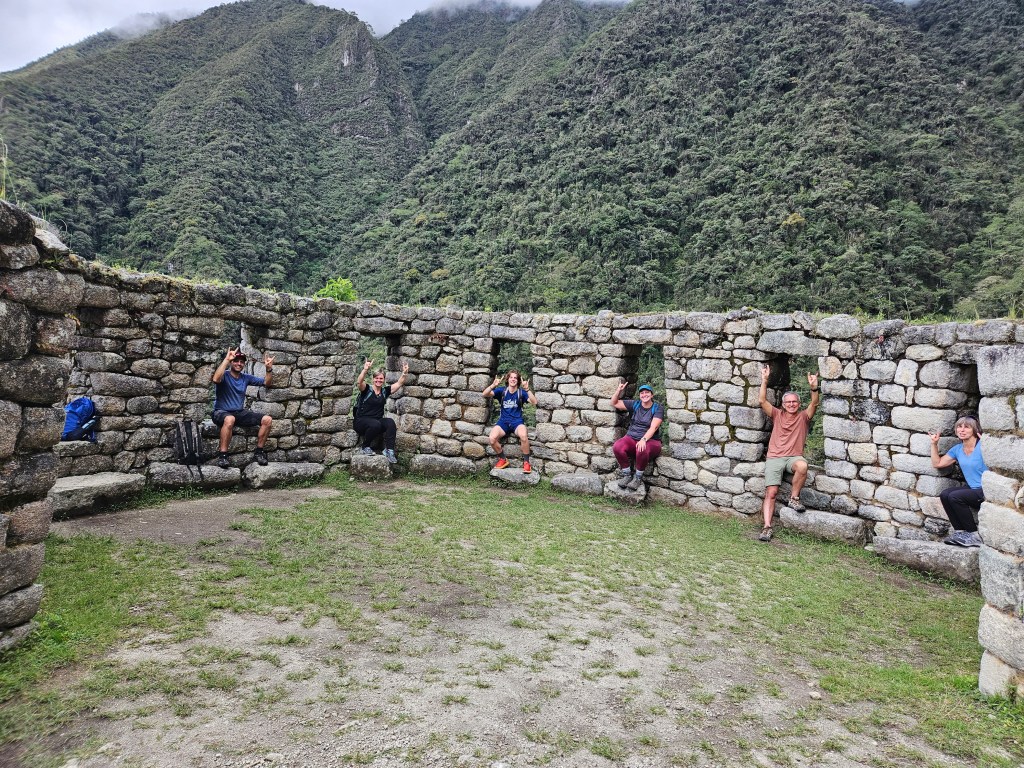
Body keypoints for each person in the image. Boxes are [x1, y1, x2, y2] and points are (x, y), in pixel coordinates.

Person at [757, 364, 819, 542]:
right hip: (775, 458)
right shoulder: (777, 415)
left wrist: (814, 388)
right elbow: (762, 401)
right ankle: (767, 527)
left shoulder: (804, 417)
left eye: (794, 402)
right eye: (788, 402)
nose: (791, 404)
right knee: (771, 492)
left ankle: (794, 498)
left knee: (802, 465)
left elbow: (814, 403)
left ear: (799, 404)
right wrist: (764, 380)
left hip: (793, 457)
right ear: (783, 405)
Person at [929, 416, 987, 547]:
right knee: (945, 494)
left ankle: (974, 535)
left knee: (955, 496)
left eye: (967, 427)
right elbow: (937, 463)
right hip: (972, 488)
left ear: (974, 430)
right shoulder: (957, 449)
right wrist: (934, 444)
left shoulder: (982, 446)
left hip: (986, 490)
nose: (962, 430)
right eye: (959, 427)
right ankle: (960, 532)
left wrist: (988, 446)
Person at [211, 347, 274, 468]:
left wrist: (268, 369)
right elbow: (215, 379)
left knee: (267, 420)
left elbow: (267, 383)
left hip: (238, 413)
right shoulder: (224, 375)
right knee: (230, 419)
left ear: (244, 364)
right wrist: (226, 359)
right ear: (231, 362)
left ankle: (259, 452)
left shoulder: (245, 378)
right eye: (236, 361)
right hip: (220, 412)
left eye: (241, 362)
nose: (239, 363)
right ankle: (223, 456)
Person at [611, 381, 664, 491]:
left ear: (652, 395)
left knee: (641, 448)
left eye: (647, 392)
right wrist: (619, 390)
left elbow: (654, 427)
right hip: (631, 437)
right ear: (639, 395)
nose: (644, 395)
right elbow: (614, 403)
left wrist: (643, 439)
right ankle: (627, 475)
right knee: (617, 446)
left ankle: (638, 478)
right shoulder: (635, 404)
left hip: (651, 441)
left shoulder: (657, 408)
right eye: (642, 393)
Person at [354, 358, 409, 463]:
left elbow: (399, 383)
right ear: (373, 379)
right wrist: (365, 369)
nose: (378, 380)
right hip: (361, 421)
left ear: (384, 380)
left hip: (376, 422)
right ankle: (365, 447)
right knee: (375, 424)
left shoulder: (384, 391)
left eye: (381, 379)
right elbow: (359, 382)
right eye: (376, 378)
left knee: (390, 422)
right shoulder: (366, 389)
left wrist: (404, 373)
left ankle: (389, 450)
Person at [483, 370, 537, 472]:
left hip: (517, 422)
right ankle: (503, 459)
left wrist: (527, 389)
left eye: (515, 378)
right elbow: (485, 394)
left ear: (518, 381)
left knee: (523, 436)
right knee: (492, 438)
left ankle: (526, 462)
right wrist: (493, 385)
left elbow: (534, 402)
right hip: (503, 422)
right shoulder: (502, 391)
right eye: (511, 377)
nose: (513, 379)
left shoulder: (521, 392)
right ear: (508, 379)